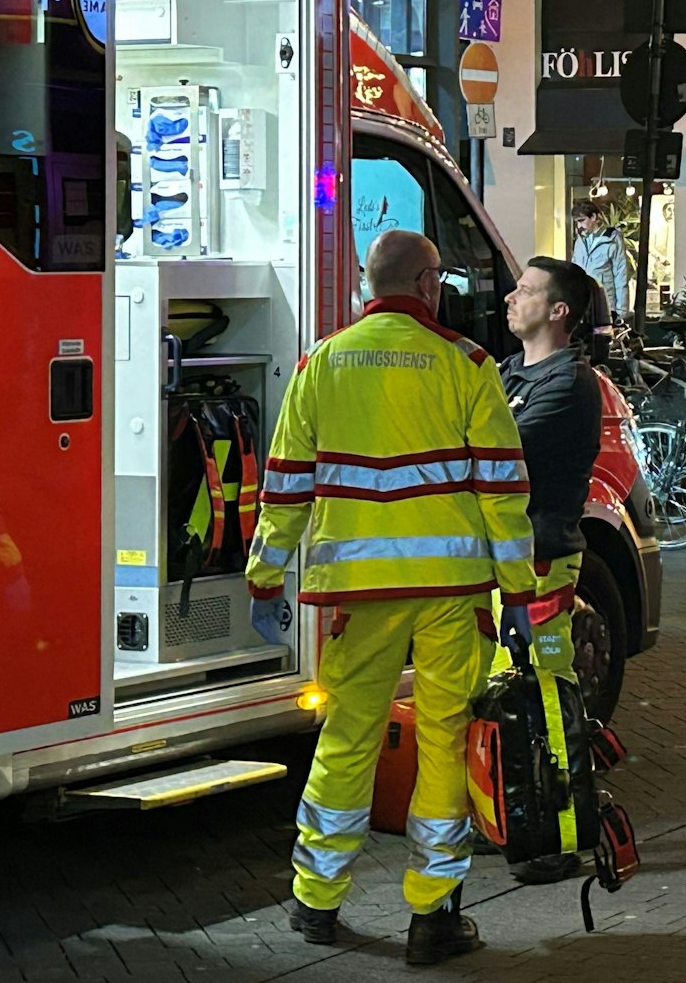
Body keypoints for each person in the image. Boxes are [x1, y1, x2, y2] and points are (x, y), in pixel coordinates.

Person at [246, 229, 536, 966]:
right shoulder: (466, 365)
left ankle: (315, 899)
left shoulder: (323, 363)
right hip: (451, 591)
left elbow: (284, 481)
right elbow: (503, 488)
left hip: (357, 592)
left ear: (372, 285)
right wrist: (520, 591)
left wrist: (265, 573)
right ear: (428, 282)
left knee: (347, 736)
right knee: (443, 739)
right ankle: (432, 915)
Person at [491, 255, 606, 884]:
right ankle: (513, 819)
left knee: (551, 694)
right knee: (509, 693)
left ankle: (564, 839)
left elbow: (497, 448)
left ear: (558, 311)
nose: (512, 297)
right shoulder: (512, 373)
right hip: (507, 561)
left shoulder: (568, 384)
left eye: (527, 291)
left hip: (542, 561)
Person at [570, 199, 631, 320]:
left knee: (602, 337)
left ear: (593, 217)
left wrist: (621, 311)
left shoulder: (613, 238)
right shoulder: (580, 240)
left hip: (604, 304)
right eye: (577, 222)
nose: (579, 226)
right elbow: (575, 270)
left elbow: (621, 274)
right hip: (583, 303)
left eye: (582, 221)